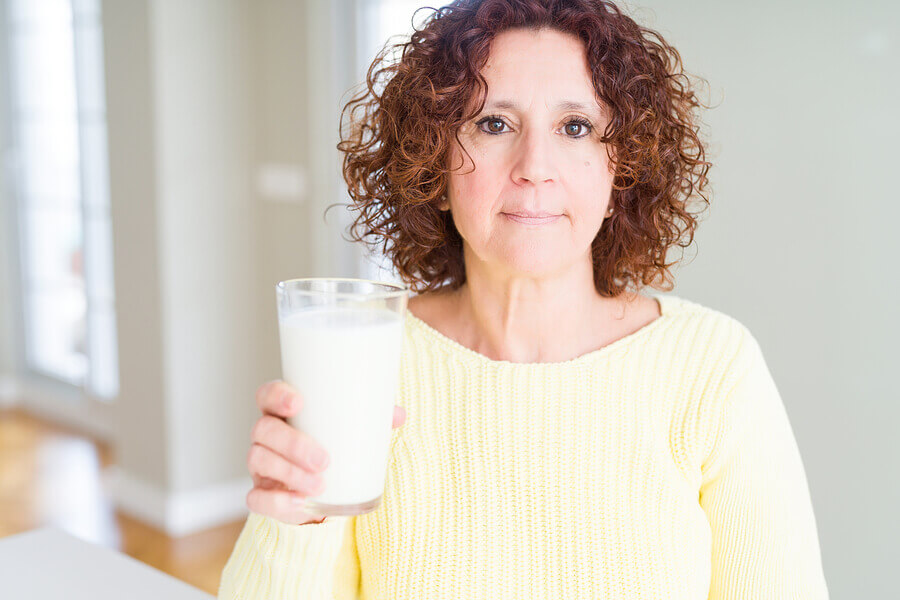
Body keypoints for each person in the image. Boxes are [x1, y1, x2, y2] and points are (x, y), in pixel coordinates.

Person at [218, 1, 829, 598]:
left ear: (621, 174)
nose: (535, 166)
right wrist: (297, 517)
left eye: (575, 127)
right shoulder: (364, 356)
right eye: (494, 123)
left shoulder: (714, 367)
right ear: (435, 166)